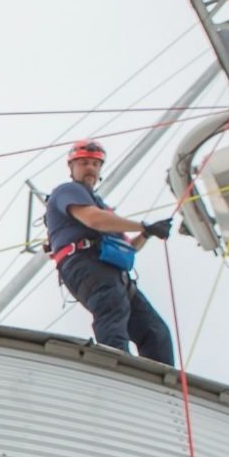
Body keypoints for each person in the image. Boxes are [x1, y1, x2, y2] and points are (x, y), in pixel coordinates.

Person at [45, 139, 175, 365]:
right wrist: (143, 225)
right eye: (84, 163)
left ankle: (161, 386)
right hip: (86, 264)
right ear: (72, 168)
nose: (90, 168)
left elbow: (128, 247)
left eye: (95, 165)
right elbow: (94, 220)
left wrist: (147, 233)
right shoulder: (68, 191)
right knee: (112, 313)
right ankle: (115, 371)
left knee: (155, 331)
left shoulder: (101, 206)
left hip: (111, 270)